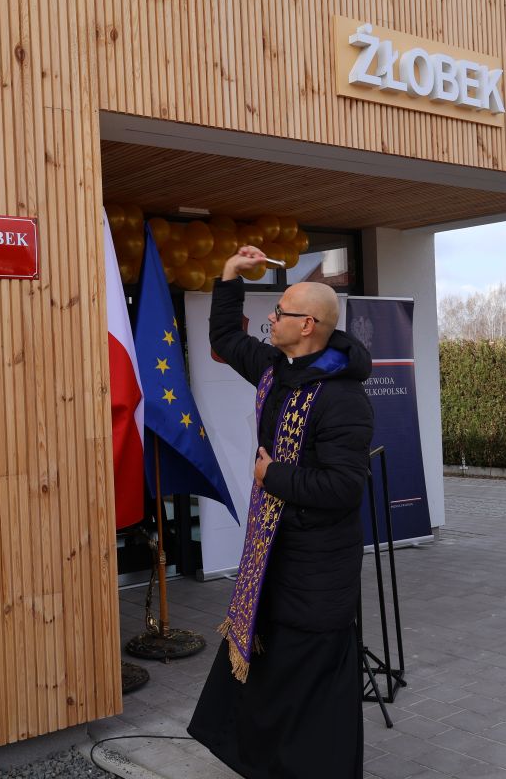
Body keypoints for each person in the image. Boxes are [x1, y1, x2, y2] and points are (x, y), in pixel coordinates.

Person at [188, 245, 375, 778]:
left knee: (309, 686)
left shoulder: (343, 398)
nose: (270, 319)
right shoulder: (276, 368)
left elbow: (344, 487)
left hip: (318, 571)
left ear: (307, 325)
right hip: (274, 559)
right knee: (271, 676)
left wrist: (273, 476)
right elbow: (226, 338)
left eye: (280, 312)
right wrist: (230, 275)